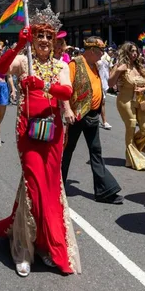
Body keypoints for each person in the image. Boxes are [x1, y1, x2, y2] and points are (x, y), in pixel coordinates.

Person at [0, 5, 81, 278]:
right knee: (33, 185)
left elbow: (66, 91)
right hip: (28, 133)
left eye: (47, 37)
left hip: (52, 134)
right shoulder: (24, 60)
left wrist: (44, 86)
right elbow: (2, 68)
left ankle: (46, 245)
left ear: (54, 41)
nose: (42, 41)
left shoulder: (60, 64)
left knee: (49, 188)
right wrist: (17, 45)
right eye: (38, 36)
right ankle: (23, 249)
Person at [61, 37, 122, 203]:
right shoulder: (74, 65)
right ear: (92, 51)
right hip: (77, 115)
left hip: (92, 115)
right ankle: (57, 186)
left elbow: (103, 85)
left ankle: (105, 191)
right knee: (67, 150)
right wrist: (67, 109)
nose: (103, 55)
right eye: (100, 52)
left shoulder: (95, 65)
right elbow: (65, 89)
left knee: (96, 151)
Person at [109, 42, 145, 170]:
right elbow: (110, 84)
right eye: (131, 51)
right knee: (131, 125)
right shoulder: (120, 66)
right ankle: (131, 159)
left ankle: (135, 152)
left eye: (135, 51)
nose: (134, 54)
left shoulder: (139, 66)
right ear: (126, 52)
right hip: (125, 100)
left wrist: (144, 87)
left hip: (140, 101)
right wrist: (118, 71)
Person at [97, 49, 112, 130]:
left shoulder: (107, 57)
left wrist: (112, 81)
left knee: (102, 102)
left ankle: (103, 121)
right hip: (96, 82)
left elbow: (110, 69)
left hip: (104, 83)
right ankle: (104, 121)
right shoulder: (95, 56)